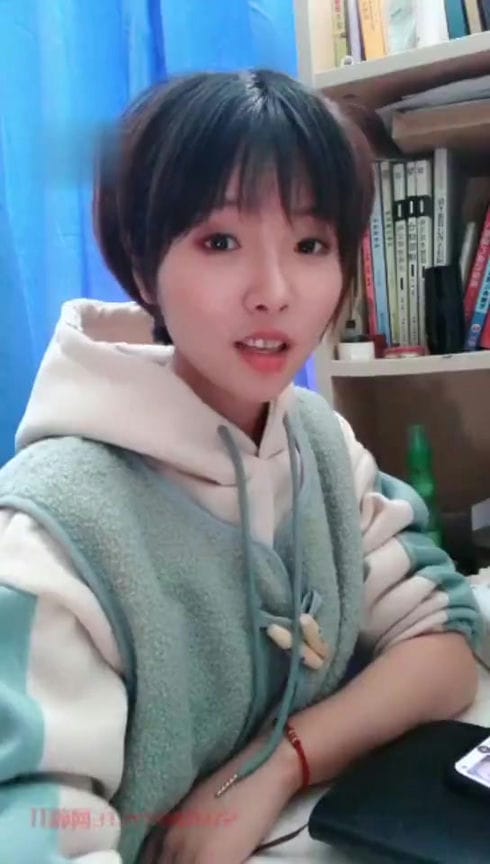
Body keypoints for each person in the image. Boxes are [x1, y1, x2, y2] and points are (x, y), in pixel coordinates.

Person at [0, 70, 483, 864]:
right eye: (220, 241)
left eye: (311, 244)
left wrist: (275, 765)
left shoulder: (319, 444)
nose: (275, 291)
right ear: (140, 262)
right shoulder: (53, 538)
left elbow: (447, 645)